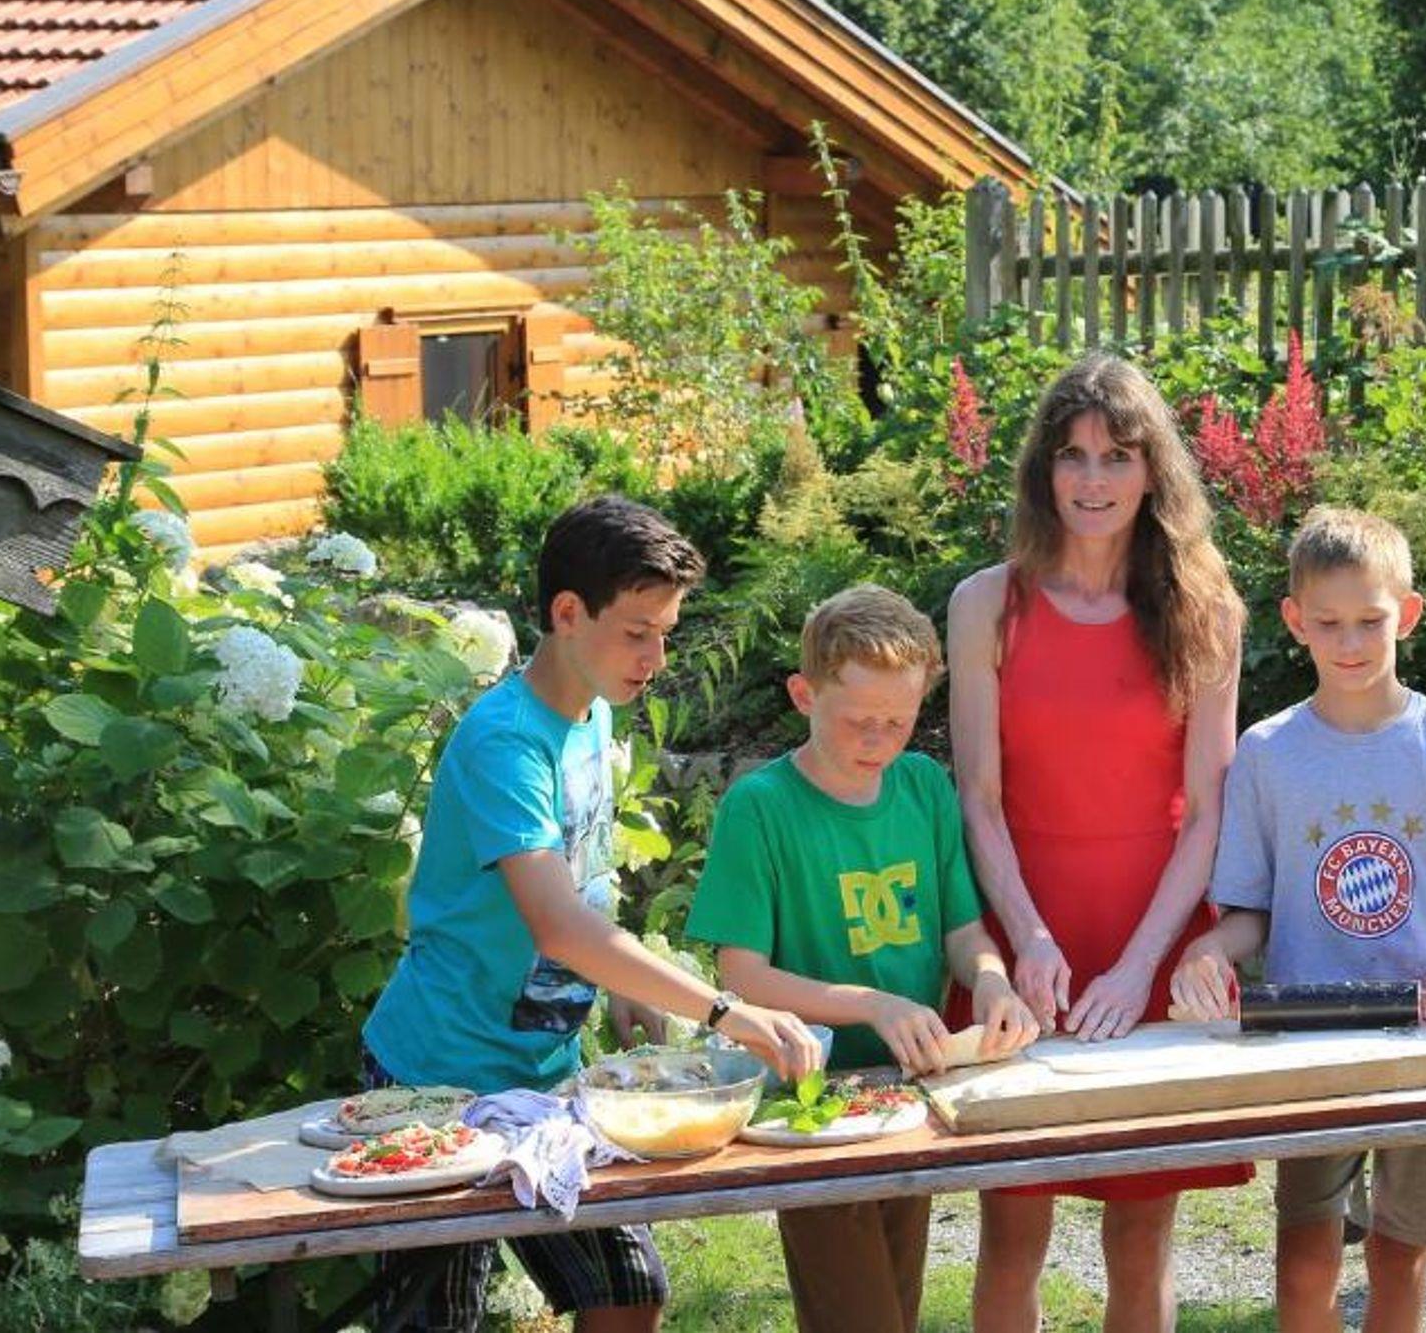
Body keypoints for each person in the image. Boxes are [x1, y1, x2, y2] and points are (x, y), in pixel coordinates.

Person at [362, 495, 821, 1333]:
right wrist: (724, 1010)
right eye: (638, 631)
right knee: (439, 1321)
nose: (657, 657)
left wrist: (624, 988)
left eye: (666, 633)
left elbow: (586, 882)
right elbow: (559, 927)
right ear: (568, 614)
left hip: (546, 1076)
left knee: (626, 1293)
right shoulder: (507, 742)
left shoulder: (592, 711)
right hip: (437, 1076)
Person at [1171, 505, 1426, 1333]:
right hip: (1308, 1043)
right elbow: (1249, 915)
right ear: (1294, 621)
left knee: (1400, 1256)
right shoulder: (1267, 752)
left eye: (1370, 621)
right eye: (1328, 623)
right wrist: (1209, 949)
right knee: (1303, 1263)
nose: (1349, 643)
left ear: (1408, 615)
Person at [948, 352, 1254, 1333]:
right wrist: (1029, 939)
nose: (1091, 479)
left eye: (1116, 456)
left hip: (1151, 931)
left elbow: (1205, 811)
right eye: (1072, 455)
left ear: (1151, 470)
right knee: (1011, 1225)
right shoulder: (983, 604)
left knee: (1141, 1230)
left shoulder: (1207, 608)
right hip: (1022, 930)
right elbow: (979, 798)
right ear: (1042, 469)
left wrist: (1139, 967)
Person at [687, 583, 1039, 1333]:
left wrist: (992, 982)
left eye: (898, 721)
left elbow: (963, 933)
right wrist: (872, 1005)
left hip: (912, 1090)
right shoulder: (760, 807)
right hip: (808, 1102)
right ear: (803, 695)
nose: (879, 738)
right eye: (857, 720)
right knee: (857, 1315)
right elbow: (742, 976)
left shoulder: (923, 786)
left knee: (896, 1307)